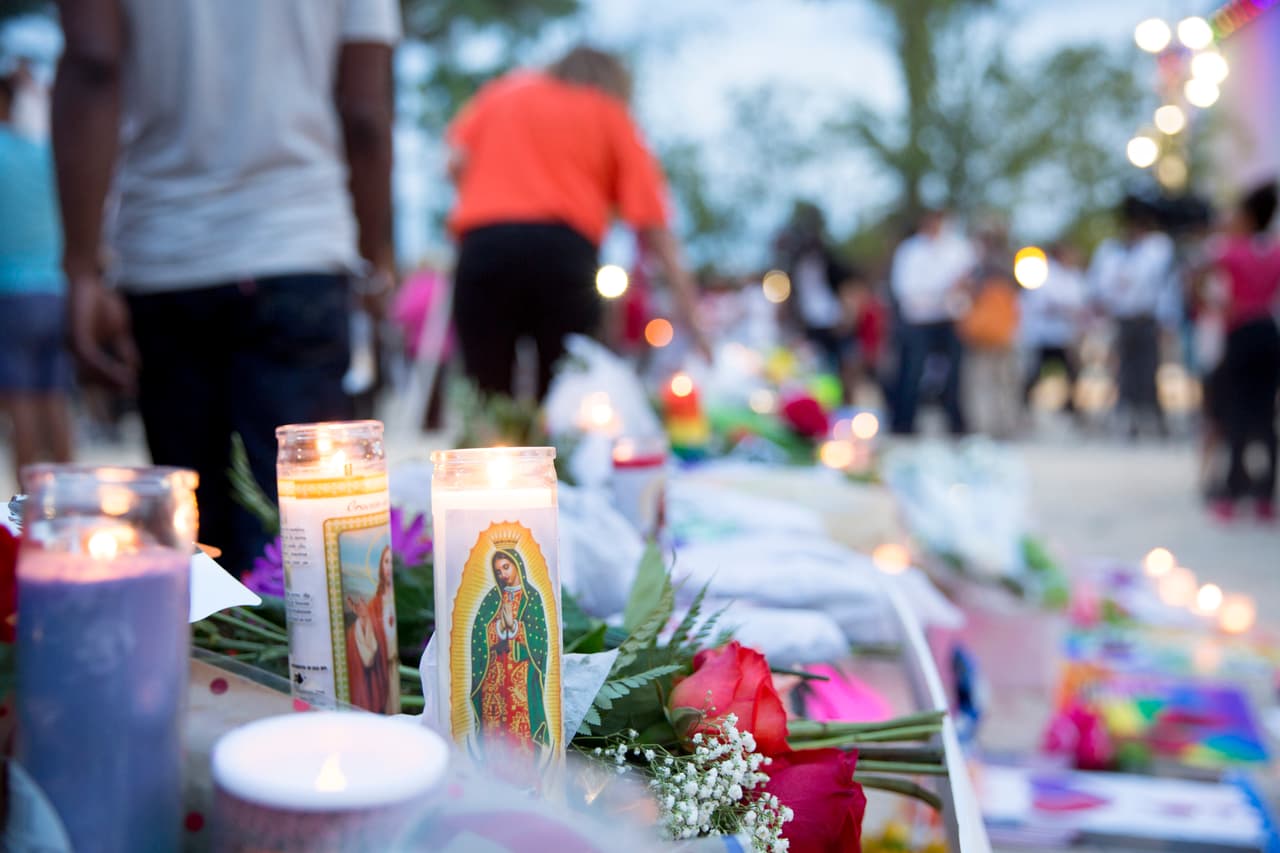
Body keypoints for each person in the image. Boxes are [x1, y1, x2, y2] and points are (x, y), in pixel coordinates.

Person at [53, 0, 399, 572]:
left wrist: (82, 267)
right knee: (306, 538)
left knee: (197, 543)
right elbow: (365, 111)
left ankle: (212, 658)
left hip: (167, 253)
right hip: (300, 245)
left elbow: (93, 62)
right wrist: (378, 256)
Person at [446, 45, 708, 400]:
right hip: (563, 253)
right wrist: (693, 318)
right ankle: (557, 452)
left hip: (485, 244)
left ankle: (488, 448)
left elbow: (453, 163)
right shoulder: (608, 111)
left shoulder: (502, 94)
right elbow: (653, 223)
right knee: (564, 389)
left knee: (487, 390)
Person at [0, 69, 73, 489]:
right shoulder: (43, 154)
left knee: (20, 406)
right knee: (56, 403)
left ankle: (26, 508)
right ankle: (71, 502)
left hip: (11, 294)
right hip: (55, 290)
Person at [1198, 181, 1280, 521]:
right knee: (1266, 417)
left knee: (1235, 414)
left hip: (1240, 331)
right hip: (1269, 332)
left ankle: (1232, 493)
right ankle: (1265, 496)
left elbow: (1197, 277)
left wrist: (1217, 305)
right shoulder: (1275, 250)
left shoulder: (1230, 250)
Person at [1088, 196, 1177, 439]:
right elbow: (1101, 287)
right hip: (1122, 319)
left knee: (1148, 370)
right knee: (1122, 372)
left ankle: (1153, 421)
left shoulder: (1156, 248)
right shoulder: (1111, 252)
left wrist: (1167, 319)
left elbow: (1162, 286)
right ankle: (1127, 421)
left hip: (1147, 318)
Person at [889, 209, 975, 435]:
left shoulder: (957, 248)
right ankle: (904, 423)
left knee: (955, 373)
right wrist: (939, 291)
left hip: (951, 318)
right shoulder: (910, 251)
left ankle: (955, 424)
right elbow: (905, 288)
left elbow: (969, 278)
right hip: (918, 320)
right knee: (912, 371)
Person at [470, 548, 551, 754]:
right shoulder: (493, 598)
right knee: (494, 726)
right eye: (498, 571)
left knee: (519, 727)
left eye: (506, 567)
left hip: (521, 675)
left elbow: (539, 637)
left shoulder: (531, 597)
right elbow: (480, 632)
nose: (503, 574)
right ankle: (492, 774)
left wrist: (514, 626)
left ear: (518, 566)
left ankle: (523, 776)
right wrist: (498, 627)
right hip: (494, 677)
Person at [776, 203, 854, 384]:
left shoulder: (829, 259)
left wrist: (846, 316)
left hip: (830, 322)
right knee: (809, 368)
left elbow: (847, 286)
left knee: (835, 368)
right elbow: (788, 294)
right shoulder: (795, 263)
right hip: (808, 324)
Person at [959, 227, 1021, 439]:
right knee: (1003, 382)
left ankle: (984, 428)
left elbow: (964, 295)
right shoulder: (1012, 265)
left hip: (986, 335)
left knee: (983, 382)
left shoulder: (979, 270)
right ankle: (1004, 427)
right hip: (1003, 334)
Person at [1022, 242, 1087, 417]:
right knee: (1034, 375)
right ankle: (1024, 408)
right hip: (1044, 335)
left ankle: (1071, 409)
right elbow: (1043, 303)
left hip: (1065, 335)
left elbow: (1079, 304)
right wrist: (1065, 309)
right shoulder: (1045, 274)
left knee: (1072, 374)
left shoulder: (1074, 276)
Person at [345, 544, 394, 712]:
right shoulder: (374, 604)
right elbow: (368, 652)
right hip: (382, 672)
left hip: (394, 671)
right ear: (381, 566)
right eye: (385, 561)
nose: (388, 566)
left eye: (390, 561)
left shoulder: (392, 599)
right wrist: (364, 619)